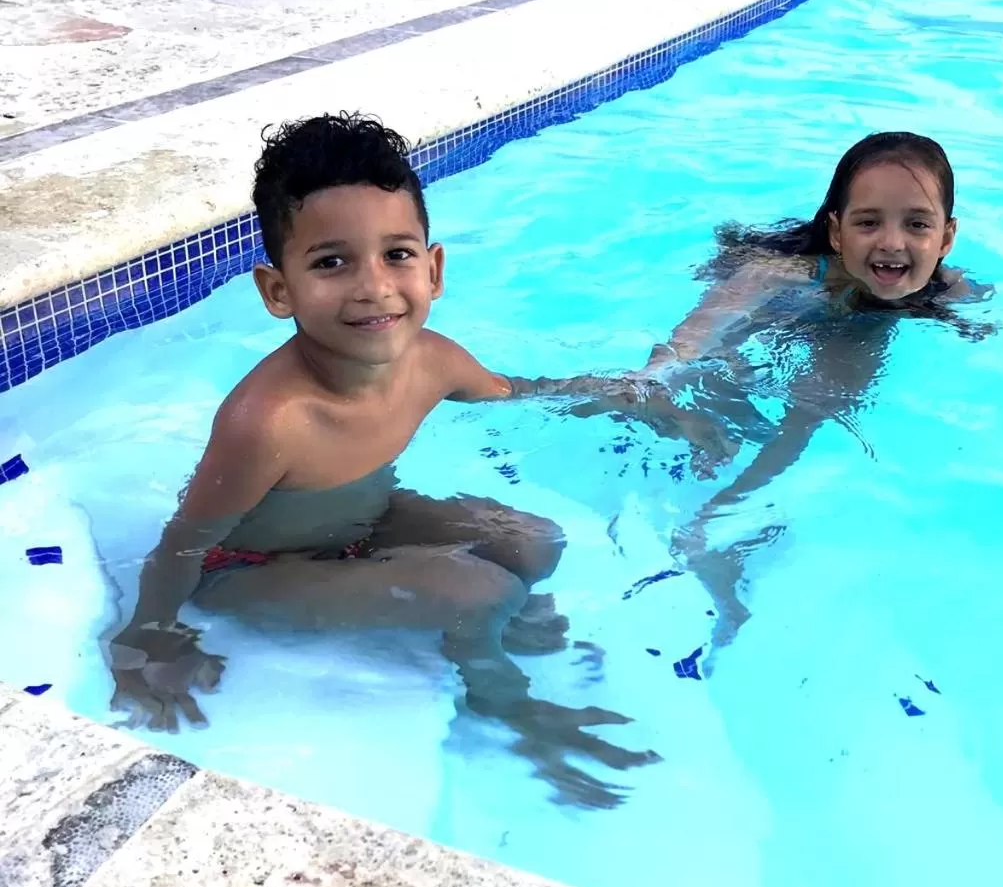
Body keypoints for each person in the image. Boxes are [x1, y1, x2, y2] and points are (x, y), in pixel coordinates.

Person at [108, 112, 732, 808]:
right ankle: (506, 708)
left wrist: (635, 400)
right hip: (250, 571)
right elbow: (184, 544)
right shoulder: (271, 420)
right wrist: (146, 639)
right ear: (277, 290)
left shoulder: (432, 362)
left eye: (396, 254)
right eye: (331, 261)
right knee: (480, 591)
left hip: (359, 525)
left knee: (533, 542)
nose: (372, 286)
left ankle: (484, 621)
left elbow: (525, 395)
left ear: (433, 270)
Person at [643, 132, 994, 657]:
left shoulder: (951, 290)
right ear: (836, 231)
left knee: (816, 407)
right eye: (868, 222)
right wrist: (657, 375)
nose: (893, 242)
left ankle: (717, 519)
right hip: (800, 305)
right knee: (721, 367)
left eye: (916, 224)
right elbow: (699, 331)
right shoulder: (781, 273)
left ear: (946, 238)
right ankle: (712, 520)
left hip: (857, 324)